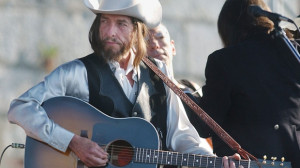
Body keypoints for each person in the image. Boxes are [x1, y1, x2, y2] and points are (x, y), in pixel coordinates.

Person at [6, 0, 230, 167]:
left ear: (137, 31)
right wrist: (72, 142)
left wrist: (216, 162)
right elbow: (20, 108)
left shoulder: (159, 73)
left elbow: (182, 135)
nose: (110, 33)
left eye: (121, 24)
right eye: (105, 22)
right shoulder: (78, 72)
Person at [195, 0, 300, 167]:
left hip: (252, 163)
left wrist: (184, 97)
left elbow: (206, 125)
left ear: (227, 27)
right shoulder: (293, 52)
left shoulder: (224, 61)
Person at [147, 23, 212, 148]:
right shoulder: (143, 96)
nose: (154, 45)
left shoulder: (192, 87)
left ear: (173, 47)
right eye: (147, 41)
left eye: (160, 38)